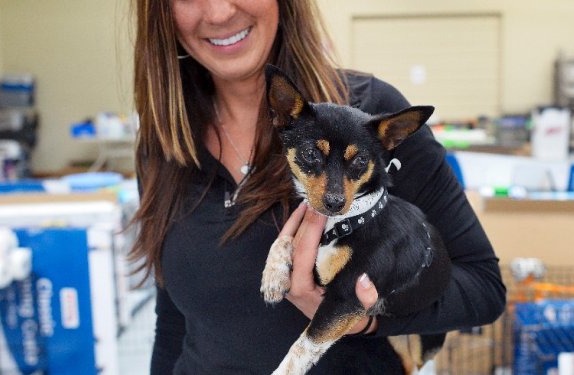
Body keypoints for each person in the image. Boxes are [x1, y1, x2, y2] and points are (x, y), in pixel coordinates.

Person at [129, 0, 506, 374]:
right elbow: (174, 320)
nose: (219, 12)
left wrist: (364, 317)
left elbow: (483, 287)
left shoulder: (371, 116)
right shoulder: (164, 144)